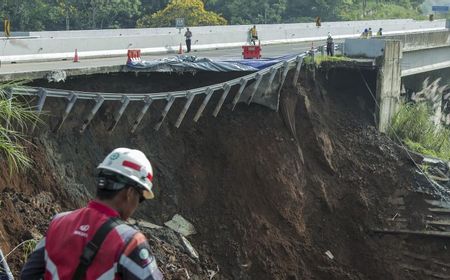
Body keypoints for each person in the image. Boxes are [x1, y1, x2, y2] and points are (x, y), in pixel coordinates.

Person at [21, 148, 163, 280]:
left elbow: (28, 275)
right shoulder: (130, 242)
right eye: (141, 198)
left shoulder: (58, 222)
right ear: (130, 193)